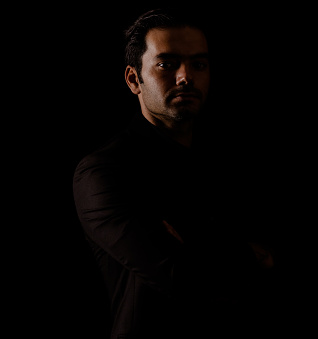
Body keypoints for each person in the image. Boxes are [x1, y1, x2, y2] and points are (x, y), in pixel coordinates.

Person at [73, 8, 279, 339]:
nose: (186, 77)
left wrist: (196, 245)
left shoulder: (233, 162)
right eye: (166, 65)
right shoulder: (104, 172)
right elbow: (181, 279)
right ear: (133, 80)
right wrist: (247, 255)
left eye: (198, 64)